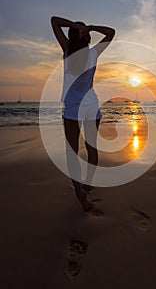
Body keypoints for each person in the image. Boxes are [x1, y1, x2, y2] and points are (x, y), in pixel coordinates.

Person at [51, 16, 115, 211]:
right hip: (90, 107)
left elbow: (54, 21)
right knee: (91, 148)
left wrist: (75, 27)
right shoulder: (93, 53)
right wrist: (90, 27)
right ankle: (86, 183)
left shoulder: (67, 50)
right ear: (87, 37)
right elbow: (111, 32)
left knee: (73, 152)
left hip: (73, 108)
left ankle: (80, 190)